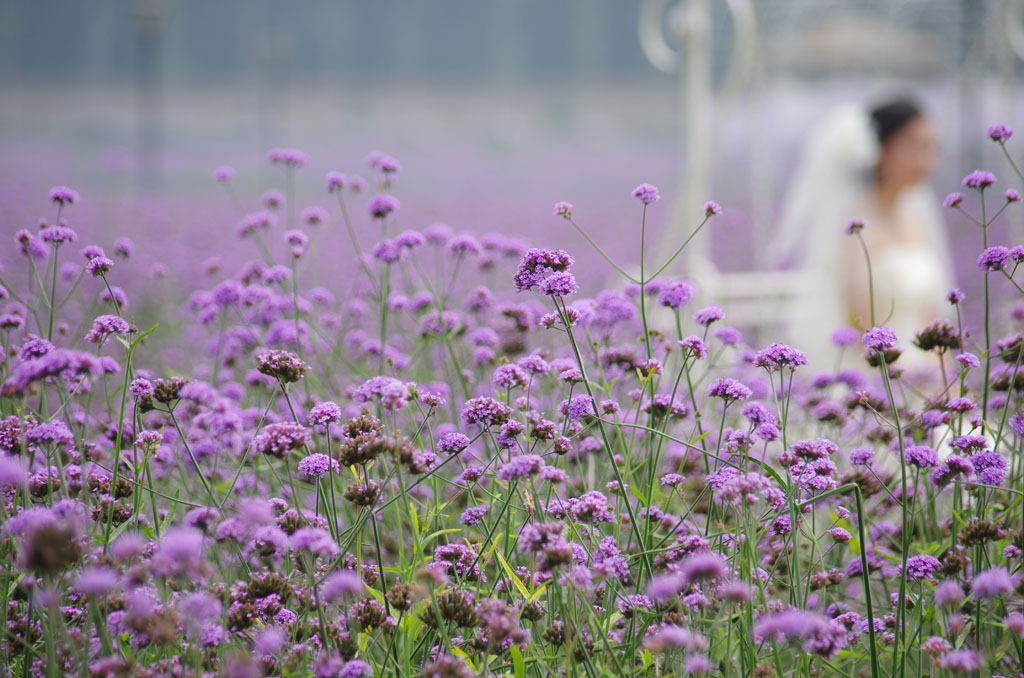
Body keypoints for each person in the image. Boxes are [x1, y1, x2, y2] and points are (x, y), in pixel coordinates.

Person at [769, 98, 956, 374]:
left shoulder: (916, 218)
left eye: (931, 147)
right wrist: (904, 381)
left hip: (923, 369)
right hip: (876, 374)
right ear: (881, 149)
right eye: (915, 146)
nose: (926, 160)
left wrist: (945, 377)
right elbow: (859, 319)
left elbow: (929, 315)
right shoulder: (855, 225)